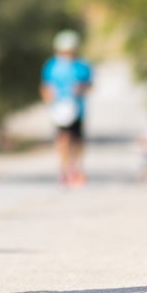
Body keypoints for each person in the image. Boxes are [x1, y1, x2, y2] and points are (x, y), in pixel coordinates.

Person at [40, 29, 93, 187]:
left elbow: (90, 86)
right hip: (59, 110)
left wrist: (81, 89)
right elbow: (45, 87)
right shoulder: (51, 66)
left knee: (77, 141)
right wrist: (50, 99)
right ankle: (63, 171)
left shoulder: (82, 66)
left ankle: (76, 169)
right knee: (62, 140)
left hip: (78, 109)